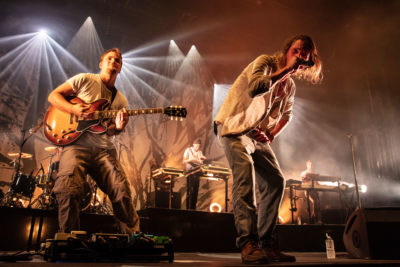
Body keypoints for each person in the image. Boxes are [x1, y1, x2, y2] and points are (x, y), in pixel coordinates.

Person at [214, 35, 322, 264]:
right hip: (234, 127)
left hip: (256, 135)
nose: (302, 56)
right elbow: (256, 88)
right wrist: (285, 71)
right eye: (299, 50)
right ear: (288, 50)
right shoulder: (265, 62)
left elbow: (287, 115)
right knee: (245, 174)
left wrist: (272, 134)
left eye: (306, 54)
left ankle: (266, 243)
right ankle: (248, 243)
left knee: (275, 181)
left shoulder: (290, 86)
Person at [48, 48, 140, 234]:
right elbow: (53, 96)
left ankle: (133, 238)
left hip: (103, 150)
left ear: (120, 68)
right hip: (76, 146)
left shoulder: (121, 100)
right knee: (68, 189)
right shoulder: (85, 79)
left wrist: (119, 128)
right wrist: (74, 110)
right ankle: (69, 240)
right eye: (109, 59)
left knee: (121, 191)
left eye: (118, 61)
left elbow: (110, 130)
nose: (113, 62)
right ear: (101, 63)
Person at [183, 139, 206, 210]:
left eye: (199, 146)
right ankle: (188, 209)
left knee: (196, 190)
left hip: (197, 171)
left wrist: (202, 159)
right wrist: (191, 159)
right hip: (190, 171)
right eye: (196, 146)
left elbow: (201, 161)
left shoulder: (200, 152)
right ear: (193, 145)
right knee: (190, 190)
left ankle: (193, 208)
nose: (197, 148)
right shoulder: (188, 150)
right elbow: (184, 161)